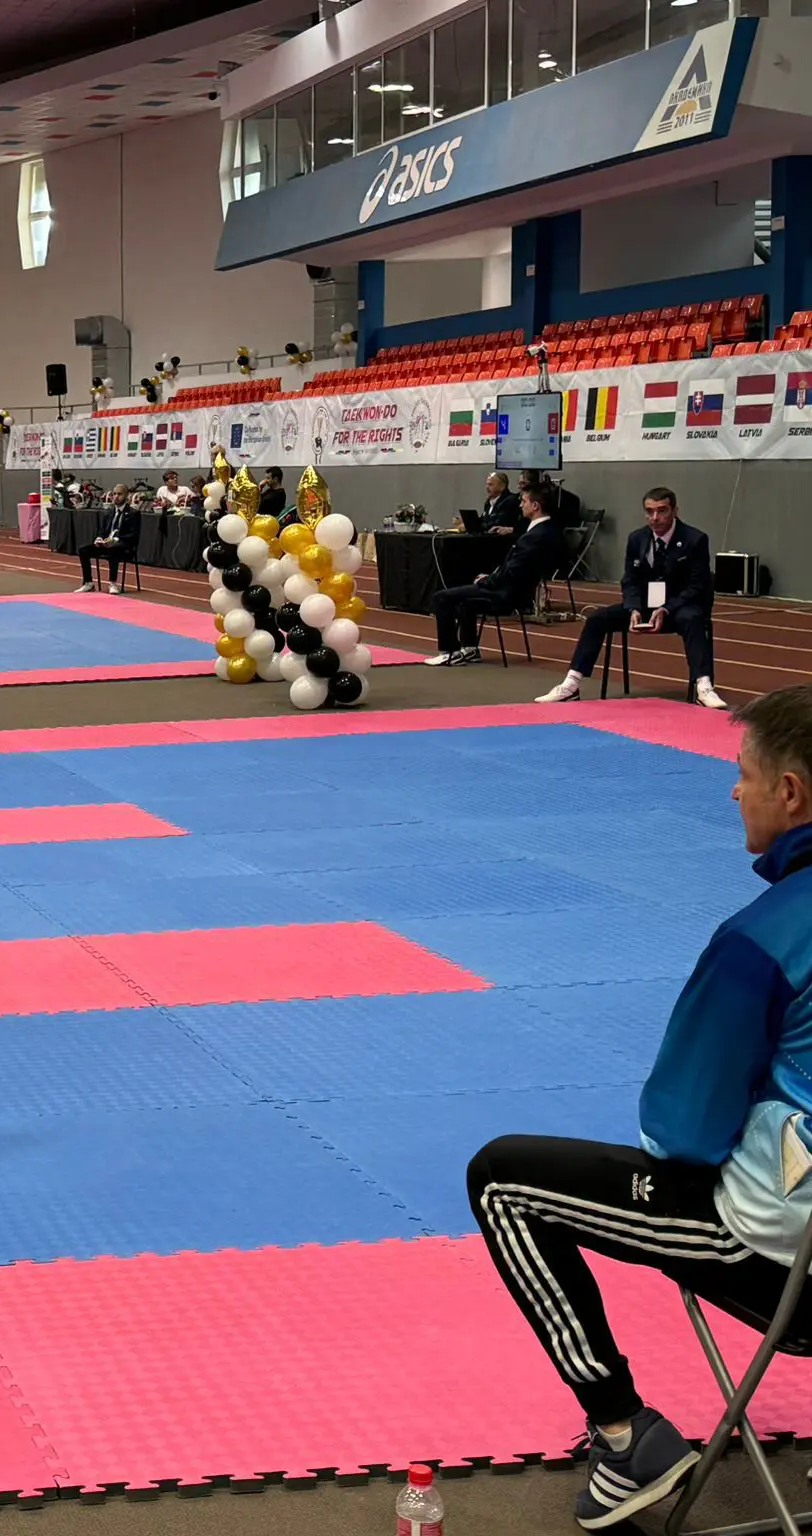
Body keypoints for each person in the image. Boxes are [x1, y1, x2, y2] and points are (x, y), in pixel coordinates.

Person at [466, 684, 812, 1530]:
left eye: (744, 774)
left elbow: (682, 1130)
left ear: (790, 793)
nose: (734, 790)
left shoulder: (765, 939)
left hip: (790, 1268)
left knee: (503, 1181)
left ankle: (625, 1439)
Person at [538, 487, 725, 709]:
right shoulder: (637, 538)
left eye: (662, 511)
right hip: (644, 606)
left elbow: (697, 586)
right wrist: (633, 608)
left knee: (693, 619)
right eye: (649, 511)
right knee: (597, 618)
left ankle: (704, 686)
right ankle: (571, 684)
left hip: (678, 608)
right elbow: (629, 579)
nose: (655, 517)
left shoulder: (695, 539)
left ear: (675, 511)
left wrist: (666, 608)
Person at [424, 483, 568, 666]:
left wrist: (487, 580)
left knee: (442, 597)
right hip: (519, 592)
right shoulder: (548, 530)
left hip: (507, 594)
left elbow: (513, 572)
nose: (520, 505)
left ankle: (449, 652)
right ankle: (470, 647)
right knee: (466, 601)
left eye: (524, 501)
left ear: (535, 506)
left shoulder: (534, 537)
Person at [75, 495, 136, 593]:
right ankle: (88, 583)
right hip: (106, 544)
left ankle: (113, 583)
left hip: (123, 546)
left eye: (119, 494)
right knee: (83, 550)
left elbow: (133, 534)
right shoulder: (109, 512)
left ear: (125, 496)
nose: (116, 497)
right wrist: (99, 538)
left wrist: (115, 539)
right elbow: (102, 531)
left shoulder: (133, 513)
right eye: (114, 494)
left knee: (114, 549)